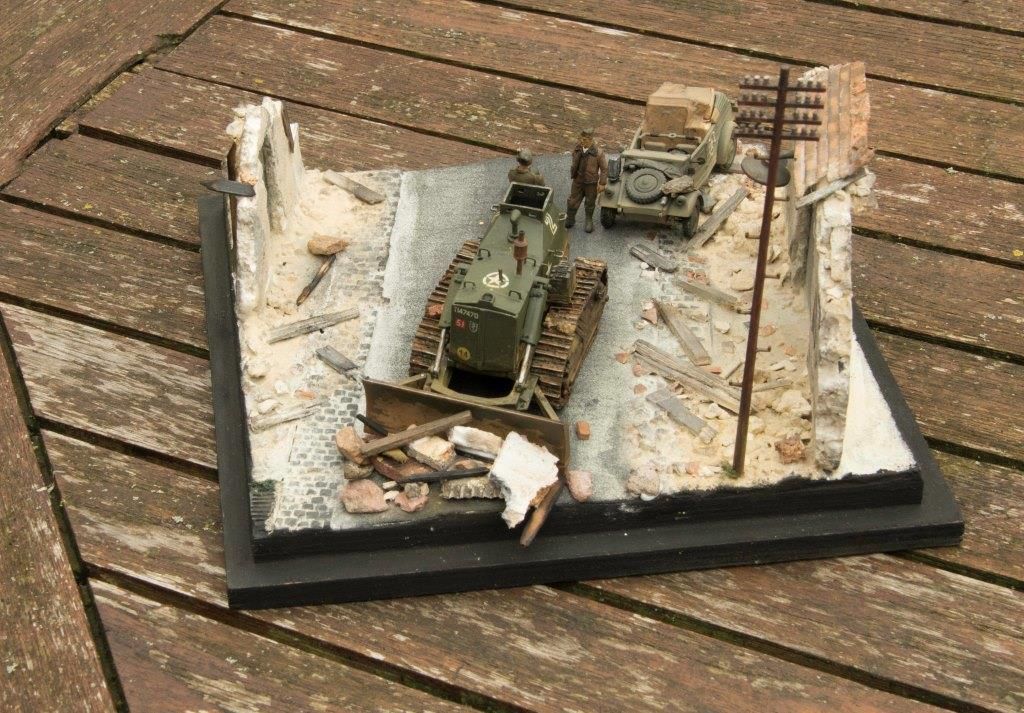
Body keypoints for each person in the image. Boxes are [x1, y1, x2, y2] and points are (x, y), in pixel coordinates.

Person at [566, 128, 607, 232]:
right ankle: (570, 218)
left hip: (591, 183)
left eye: (584, 140)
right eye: (581, 139)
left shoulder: (598, 153)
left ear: (590, 140)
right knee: (572, 201)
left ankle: (589, 220)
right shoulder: (577, 150)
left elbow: (604, 169)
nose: (581, 141)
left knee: (590, 203)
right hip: (578, 181)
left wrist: (602, 183)